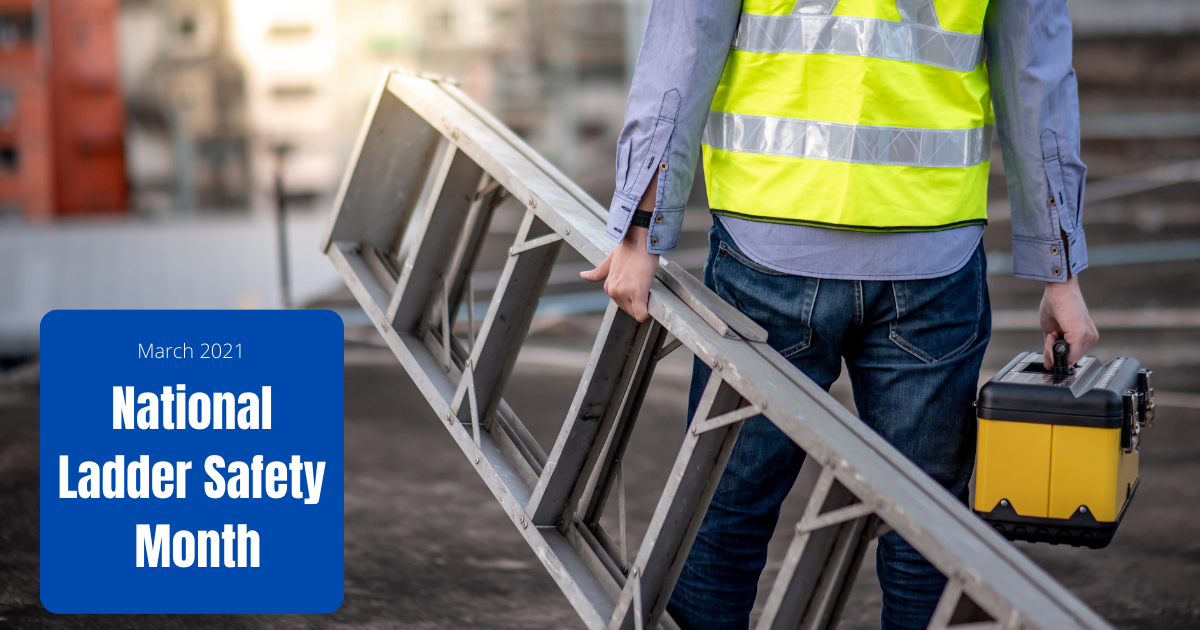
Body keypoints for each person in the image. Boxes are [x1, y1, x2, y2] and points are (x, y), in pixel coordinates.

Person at [581, 0, 1100, 628]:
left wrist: (640, 226)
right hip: (929, 254)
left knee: (724, 511)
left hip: (768, 247)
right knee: (927, 529)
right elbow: (1036, 77)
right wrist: (1060, 273)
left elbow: (684, 44)